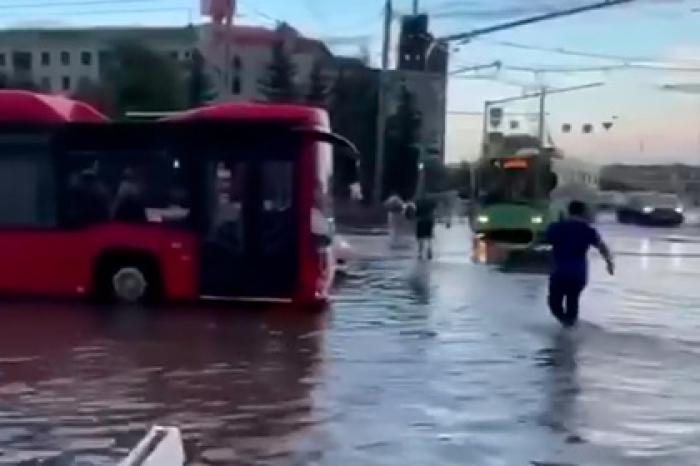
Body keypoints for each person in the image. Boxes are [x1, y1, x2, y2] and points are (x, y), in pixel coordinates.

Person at [546, 200, 615, 327]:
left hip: (559, 272)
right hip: (578, 273)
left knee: (554, 302)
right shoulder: (588, 230)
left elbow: (545, 240)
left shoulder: (558, 227)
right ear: (583, 213)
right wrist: (609, 263)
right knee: (572, 301)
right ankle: (571, 328)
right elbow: (602, 247)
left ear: (568, 211)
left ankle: (566, 324)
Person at [415, 196, 437, 260]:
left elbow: (416, 214)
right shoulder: (431, 204)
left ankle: (420, 252)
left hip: (421, 221)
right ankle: (429, 249)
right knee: (429, 237)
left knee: (420, 238)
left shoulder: (418, 204)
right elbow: (433, 213)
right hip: (428, 221)